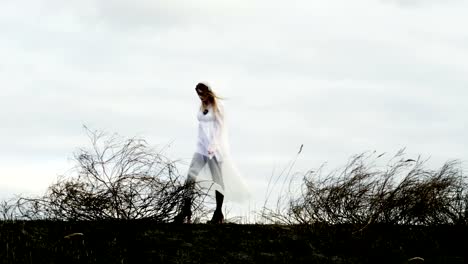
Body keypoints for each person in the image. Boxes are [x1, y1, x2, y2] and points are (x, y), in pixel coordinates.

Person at [174, 82, 248, 224]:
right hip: (201, 148)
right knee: (190, 178)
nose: (200, 96)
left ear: (208, 91)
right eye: (198, 94)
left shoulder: (218, 107)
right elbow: (202, 128)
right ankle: (186, 210)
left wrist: (214, 145)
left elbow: (220, 128)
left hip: (215, 150)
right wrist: (200, 145)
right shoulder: (202, 107)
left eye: (202, 93)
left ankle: (218, 213)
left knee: (217, 180)